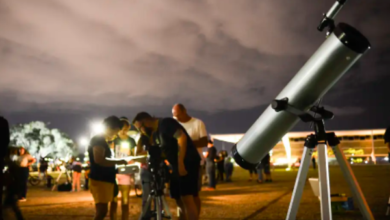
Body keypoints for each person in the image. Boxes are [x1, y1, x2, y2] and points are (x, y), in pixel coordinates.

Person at [133, 112, 201, 220]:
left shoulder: (165, 123)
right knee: (178, 197)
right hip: (175, 164)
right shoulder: (156, 133)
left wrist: (180, 162)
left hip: (187, 161)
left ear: (145, 121)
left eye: (140, 128)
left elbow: (181, 138)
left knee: (187, 196)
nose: (140, 131)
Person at [88, 116, 130, 220]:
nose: (116, 136)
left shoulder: (102, 141)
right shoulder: (98, 140)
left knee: (102, 210)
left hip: (104, 180)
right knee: (101, 211)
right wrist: (118, 161)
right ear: (110, 128)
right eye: (116, 132)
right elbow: (99, 160)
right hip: (100, 180)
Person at [111, 117, 137, 220]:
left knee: (125, 200)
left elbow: (134, 156)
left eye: (125, 128)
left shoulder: (131, 140)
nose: (123, 131)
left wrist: (130, 158)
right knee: (113, 200)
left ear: (128, 127)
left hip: (126, 171)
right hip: (114, 171)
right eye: (121, 128)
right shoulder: (113, 139)